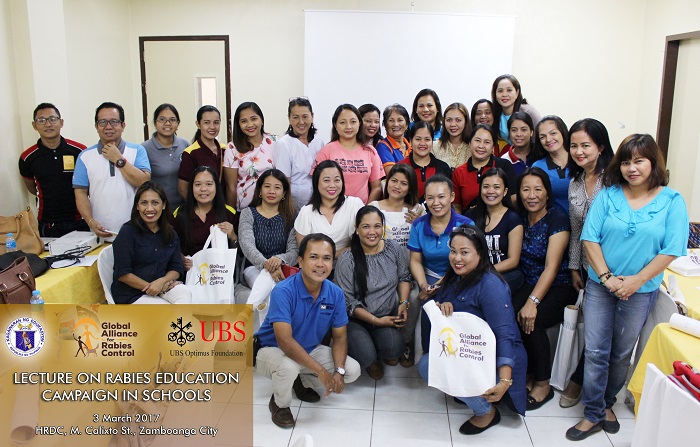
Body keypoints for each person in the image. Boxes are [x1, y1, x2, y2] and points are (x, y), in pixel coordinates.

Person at [567, 134, 688, 441]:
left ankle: (607, 403)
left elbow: (671, 249)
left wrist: (635, 281)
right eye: (625, 162)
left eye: (639, 161)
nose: (631, 168)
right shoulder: (608, 195)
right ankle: (593, 412)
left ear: (653, 163)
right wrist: (607, 277)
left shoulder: (672, 201)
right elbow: (589, 238)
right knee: (595, 350)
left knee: (621, 353)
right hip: (600, 285)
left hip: (641, 289)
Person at [418, 225, 527, 434]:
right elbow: (438, 304)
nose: (457, 258)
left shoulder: (491, 285)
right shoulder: (454, 275)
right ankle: (466, 389)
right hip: (465, 350)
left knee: (435, 367)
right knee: (426, 365)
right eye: (453, 251)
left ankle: (486, 412)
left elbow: (506, 336)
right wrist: (443, 308)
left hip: (492, 359)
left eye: (465, 252)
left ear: (480, 254)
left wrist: (505, 380)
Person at [255, 233, 361, 428]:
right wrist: (321, 371)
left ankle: (299, 379)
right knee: (288, 367)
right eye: (314, 257)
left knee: (351, 370)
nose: (320, 264)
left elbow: (339, 337)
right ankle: (279, 405)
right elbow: (285, 342)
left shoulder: (335, 293)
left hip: (308, 348)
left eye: (327, 258)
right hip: (270, 349)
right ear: (301, 261)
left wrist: (338, 371)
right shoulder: (283, 290)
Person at [559, 118, 614, 409]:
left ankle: (585, 385)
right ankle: (586, 384)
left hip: (619, 265)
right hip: (589, 269)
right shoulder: (575, 182)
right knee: (595, 330)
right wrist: (573, 266)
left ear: (600, 146)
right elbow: (577, 229)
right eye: (574, 146)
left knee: (607, 335)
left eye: (585, 145)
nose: (579, 151)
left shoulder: (616, 180)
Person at [511, 167, 576, 411]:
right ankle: (524, 371)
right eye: (526, 189)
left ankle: (542, 383)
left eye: (538, 189)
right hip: (529, 280)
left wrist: (532, 302)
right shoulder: (520, 216)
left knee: (531, 319)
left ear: (547, 193)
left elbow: (551, 267)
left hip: (558, 283)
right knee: (508, 313)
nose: (531, 195)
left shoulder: (557, 218)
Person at [334, 206, 411, 380]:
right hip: (356, 320)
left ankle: (376, 346)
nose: (372, 232)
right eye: (366, 226)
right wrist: (376, 321)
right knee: (365, 355)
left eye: (377, 226)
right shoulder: (347, 259)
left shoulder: (393, 249)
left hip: (385, 316)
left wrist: (404, 303)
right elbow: (348, 303)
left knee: (395, 347)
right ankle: (371, 358)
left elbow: (404, 277)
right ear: (357, 228)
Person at [408, 175, 473, 352]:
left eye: (441, 197)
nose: (436, 202)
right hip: (428, 275)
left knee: (442, 303)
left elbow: (467, 264)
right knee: (419, 300)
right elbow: (415, 260)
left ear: (452, 197)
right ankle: (424, 354)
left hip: (459, 277)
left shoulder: (465, 225)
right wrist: (423, 285)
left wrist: (436, 287)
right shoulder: (419, 225)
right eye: (430, 198)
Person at [73, 102, 151, 238]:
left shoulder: (137, 150)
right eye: (102, 122)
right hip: (100, 232)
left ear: (123, 125)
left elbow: (144, 182)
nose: (108, 127)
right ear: (96, 126)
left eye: (114, 121)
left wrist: (118, 159)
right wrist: (90, 221)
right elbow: (80, 193)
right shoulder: (85, 156)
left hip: (136, 230)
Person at [111, 181, 191, 305]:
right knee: (163, 310)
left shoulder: (170, 233)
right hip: (132, 294)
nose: (149, 209)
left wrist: (162, 282)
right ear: (137, 206)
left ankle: (182, 324)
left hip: (163, 286)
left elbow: (176, 267)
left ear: (163, 205)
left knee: (184, 293)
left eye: (155, 203)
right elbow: (122, 274)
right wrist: (153, 288)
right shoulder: (127, 232)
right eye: (144, 203)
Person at [19, 103, 88, 237]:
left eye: (52, 119)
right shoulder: (27, 157)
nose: (48, 124)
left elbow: (88, 184)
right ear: (34, 125)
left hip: (79, 220)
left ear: (61, 122)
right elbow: (32, 188)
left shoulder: (79, 150)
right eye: (41, 120)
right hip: (48, 223)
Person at [466, 168, 524, 292]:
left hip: (505, 273)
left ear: (505, 191)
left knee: (485, 287)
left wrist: (483, 272)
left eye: (497, 187)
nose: (491, 191)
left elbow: (513, 260)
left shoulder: (513, 219)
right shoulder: (471, 216)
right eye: (486, 186)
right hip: (474, 273)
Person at [238, 169, 298, 288]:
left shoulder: (292, 216)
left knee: (282, 290)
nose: (272, 191)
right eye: (267, 186)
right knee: (265, 286)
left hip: (283, 267)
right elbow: (247, 245)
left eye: (277, 187)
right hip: (253, 267)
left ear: (284, 193)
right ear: (260, 190)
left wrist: (279, 260)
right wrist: (266, 264)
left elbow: (294, 250)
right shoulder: (248, 213)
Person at [314, 104, 384, 204]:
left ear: (359, 123)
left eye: (353, 122)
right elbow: (317, 184)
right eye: (343, 122)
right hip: (332, 211)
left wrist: (365, 211)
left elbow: (376, 187)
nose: (348, 126)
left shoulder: (370, 151)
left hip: (361, 212)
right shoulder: (326, 151)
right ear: (335, 125)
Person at [294, 160, 364, 260]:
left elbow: (364, 242)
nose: (332, 185)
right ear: (316, 183)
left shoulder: (354, 204)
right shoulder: (306, 212)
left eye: (337, 180)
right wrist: (334, 255)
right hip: (318, 266)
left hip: (349, 262)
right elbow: (305, 252)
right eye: (326, 180)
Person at [173, 166, 237, 266]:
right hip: (191, 274)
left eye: (209, 184)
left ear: (216, 186)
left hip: (220, 274)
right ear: (191, 187)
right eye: (198, 184)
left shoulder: (229, 213)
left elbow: (237, 253)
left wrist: (233, 237)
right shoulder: (180, 214)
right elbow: (172, 247)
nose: (203, 189)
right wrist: (182, 260)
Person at [273, 97, 325, 213]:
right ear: (289, 119)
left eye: (305, 117)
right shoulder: (284, 144)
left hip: (317, 203)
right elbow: (283, 182)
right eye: (295, 117)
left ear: (312, 116)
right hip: (293, 206)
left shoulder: (319, 142)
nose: (301, 122)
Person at [452, 124, 517, 213]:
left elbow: (513, 199)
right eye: (477, 141)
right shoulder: (459, 172)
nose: (481, 146)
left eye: (487, 142)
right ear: (470, 143)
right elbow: (456, 206)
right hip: (470, 223)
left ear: (493, 147)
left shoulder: (504, 166)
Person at [224, 102, 275, 210]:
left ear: (261, 120)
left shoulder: (275, 142)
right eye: (244, 121)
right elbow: (231, 188)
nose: (250, 124)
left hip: (273, 210)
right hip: (244, 211)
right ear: (238, 124)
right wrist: (231, 216)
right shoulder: (232, 148)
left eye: (254, 119)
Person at [141, 103, 189, 210]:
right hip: (158, 210)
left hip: (183, 209)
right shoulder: (144, 149)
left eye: (172, 120)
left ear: (178, 123)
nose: (167, 123)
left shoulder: (185, 144)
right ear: (155, 123)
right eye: (162, 119)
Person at [369, 163, 425, 251]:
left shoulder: (418, 210)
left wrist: (419, 225)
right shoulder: (373, 207)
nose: (397, 186)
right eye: (394, 181)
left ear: (410, 188)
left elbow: (426, 241)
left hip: (410, 262)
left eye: (404, 183)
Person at [177, 105, 226, 200]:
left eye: (216, 123)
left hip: (223, 208)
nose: (212, 127)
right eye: (207, 123)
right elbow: (183, 189)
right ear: (198, 124)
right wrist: (198, 208)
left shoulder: (225, 150)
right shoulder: (190, 153)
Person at [398, 121, 452, 201]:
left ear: (432, 141)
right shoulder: (400, 167)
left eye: (427, 139)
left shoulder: (443, 167)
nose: (422, 143)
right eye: (418, 139)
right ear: (410, 141)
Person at [533, 116, 571, 215]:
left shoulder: (579, 160)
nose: (548, 139)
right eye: (542, 137)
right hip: (554, 224)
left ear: (563, 132)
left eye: (553, 133)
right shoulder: (537, 167)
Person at [491, 74, 541, 144]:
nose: (504, 94)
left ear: (517, 93)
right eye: (500, 91)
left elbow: (540, 139)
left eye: (509, 90)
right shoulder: (494, 113)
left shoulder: (529, 112)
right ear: (495, 95)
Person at [432, 102, 472, 170]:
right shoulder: (434, 147)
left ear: (466, 122)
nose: (453, 124)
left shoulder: (473, 148)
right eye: (449, 120)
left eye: (458, 120)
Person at [375, 104, 411, 174]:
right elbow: (392, 174)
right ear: (385, 125)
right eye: (391, 120)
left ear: (407, 125)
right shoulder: (383, 147)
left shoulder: (411, 146)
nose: (396, 124)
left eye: (400, 120)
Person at [500, 111, 540, 177]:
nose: (518, 134)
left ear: (531, 132)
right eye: (514, 130)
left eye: (523, 130)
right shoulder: (504, 160)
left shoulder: (541, 154)